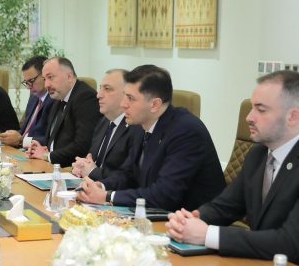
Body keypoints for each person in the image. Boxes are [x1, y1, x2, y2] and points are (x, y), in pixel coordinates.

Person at [166, 71, 299, 266]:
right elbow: (225, 207)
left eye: (261, 110)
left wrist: (207, 235)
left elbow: (289, 243)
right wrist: (191, 220)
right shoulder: (259, 154)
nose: (249, 117)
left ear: (292, 117)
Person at [78, 65, 225, 210]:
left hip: (191, 217)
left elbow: (164, 195)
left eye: (130, 98)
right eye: (124, 96)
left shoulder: (186, 131)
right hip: (155, 211)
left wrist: (108, 196)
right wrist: (101, 186)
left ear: (154, 104)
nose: (123, 104)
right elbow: (128, 174)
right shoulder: (142, 124)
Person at [27, 57, 101, 166]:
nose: (46, 85)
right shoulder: (59, 97)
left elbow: (82, 146)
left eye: (50, 77)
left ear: (69, 77)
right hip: (54, 166)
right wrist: (41, 148)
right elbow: (55, 140)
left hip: (72, 169)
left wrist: (47, 156)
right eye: (44, 79)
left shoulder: (85, 97)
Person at [72, 69, 143, 180]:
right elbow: (92, 160)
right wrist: (81, 166)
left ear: (127, 94)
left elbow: (128, 179)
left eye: (107, 89)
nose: (99, 95)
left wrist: (92, 172)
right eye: (100, 88)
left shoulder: (136, 127)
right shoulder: (104, 121)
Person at [0, 55, 54, 148]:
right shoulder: (34, 98)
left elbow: (51, 139)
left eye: (31, 81)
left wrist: (21, 140)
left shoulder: (55, 100)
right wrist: (12, 135)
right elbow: (26, 131)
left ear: (45, 75)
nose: (28, 87)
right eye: (26, 82)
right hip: (22, 149)